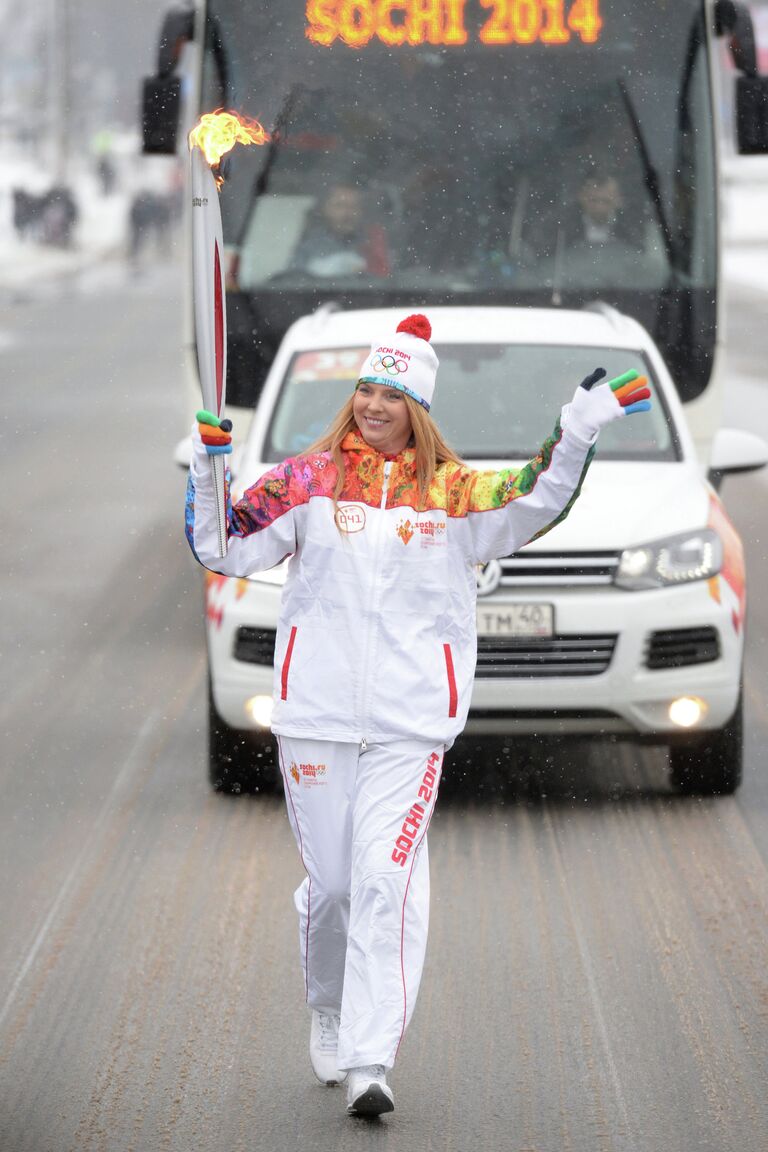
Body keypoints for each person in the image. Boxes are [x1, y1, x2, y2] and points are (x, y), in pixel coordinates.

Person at [185, 314, 651, 1118]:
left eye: (392, 394)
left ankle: (370, 1060)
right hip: (316, 718)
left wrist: (573, 433)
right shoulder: (308, 481)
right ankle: (329, 1009)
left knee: (384, 881)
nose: (373, 404)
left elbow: (535, 498)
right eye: (366, 387)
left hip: (411, 725)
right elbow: (223, 546)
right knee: (331, 889)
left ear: (419, 409)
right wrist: (208, 471)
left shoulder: (455, 494)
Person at [288, 182, 390, 278]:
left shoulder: (373, 241)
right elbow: (294, 283)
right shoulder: (309, 245)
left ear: (361, 211)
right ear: (326, 209)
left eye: (353, 206)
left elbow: (385, 281)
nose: (347, 213)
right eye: (339, 205)